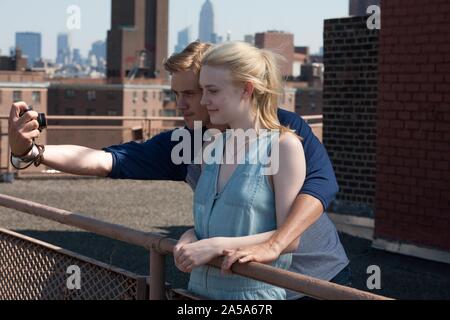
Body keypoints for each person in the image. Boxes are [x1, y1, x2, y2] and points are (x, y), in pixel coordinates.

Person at [8, 41, 350, 300]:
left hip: (315, 278)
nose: (181, 103)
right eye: (176, 93)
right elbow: (106, 160)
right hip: (234, 285)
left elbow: (320, 185)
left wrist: (277, 242)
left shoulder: (281, 131)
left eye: (194, 92)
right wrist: (31, 151)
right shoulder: (193, 142)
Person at [173, 41, 306, 300]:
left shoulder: (283, 147)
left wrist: (215, 246)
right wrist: (192, 235)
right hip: (196, 295)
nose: (203, 100)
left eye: (212, 91)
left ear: (247, 89)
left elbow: (290, 238)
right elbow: (221, 222)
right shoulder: (211, 143)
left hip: (252, 298)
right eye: (202, 90)